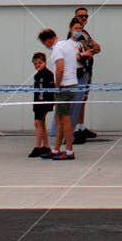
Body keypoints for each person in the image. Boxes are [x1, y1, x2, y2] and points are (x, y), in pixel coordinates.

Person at [41, 27, 79, 160]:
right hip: (71, 84)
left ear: (49, 39)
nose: (45, 46)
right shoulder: (66, 44)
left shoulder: (57, 48)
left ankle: (69, 151)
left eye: (44, 43)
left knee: (65, 119)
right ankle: (56, 149)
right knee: (59, 118)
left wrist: (57, 86)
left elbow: (60, 68)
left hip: (64, 86)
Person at [69, 9, 101, 142]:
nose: (83, 18)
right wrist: (89, 50)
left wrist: (90, 50)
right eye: (80, 16)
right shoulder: (74, 35)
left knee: (83, 99)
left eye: (85, 16)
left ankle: (81, 126)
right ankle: (74, 129)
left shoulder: (84, 33)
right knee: (76, 99)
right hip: (78, 71)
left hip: (87, 69)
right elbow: (80, 52)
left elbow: (97, 48)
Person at [29, 50, 53, 158]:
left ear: (45, 62)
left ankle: (37, 147)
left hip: (44, 103)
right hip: (38, 102)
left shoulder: (48, 74)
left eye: (39, 63)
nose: (37, 65)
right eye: (35, 64)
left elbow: (49, 90)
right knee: (42, 123)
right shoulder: (38, 75)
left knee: (37, 123)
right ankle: (46, 146)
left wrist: (50, 103)